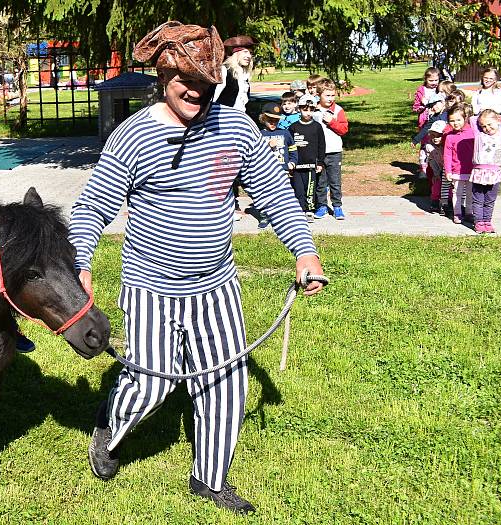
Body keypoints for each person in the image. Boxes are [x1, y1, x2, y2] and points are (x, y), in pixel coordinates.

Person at [69, 21, 325, 514]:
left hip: (216, 284)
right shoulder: (134, 136)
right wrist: (81, 260)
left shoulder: (236, 127)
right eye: (186, 81)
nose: (196, 92)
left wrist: (304, 250)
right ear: (163, 79)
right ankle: (109, 428)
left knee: (228, 382)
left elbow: (274, 195)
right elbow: (93, 206)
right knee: (152, 381)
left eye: (207, 83)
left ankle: (209, 479)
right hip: (150, 284)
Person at [214, 34, 256, 219]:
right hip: (223, 125)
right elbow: (213, 99)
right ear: (236, 53)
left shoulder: (244, 76)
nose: (249, 55)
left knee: (235, 166)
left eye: (250, 52)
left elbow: (243, 103)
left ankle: (232, 202)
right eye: (246, 51)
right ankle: (226, 206)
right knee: (224, 165)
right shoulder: (224, 71)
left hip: (238, 124)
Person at [469, 109, 501, 233]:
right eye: (483, 126)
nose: (487, 128)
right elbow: (473, 120)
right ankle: (478, 222)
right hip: (479, 172)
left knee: (490, 200)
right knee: (478, 199)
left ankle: (487, 221)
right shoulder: (479, 135)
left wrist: (498, 117)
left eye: (490, 124)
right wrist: (483, 117)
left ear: (498, 122)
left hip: (494, 173)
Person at [312, 78, 348, 220]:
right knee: (320, 181)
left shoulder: (338, 110)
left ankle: (337, 206)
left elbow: (344, 129)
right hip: (318, 152)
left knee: (335, 180)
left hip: (334, 151)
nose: (330, 98)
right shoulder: (313, 110)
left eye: (333, 95)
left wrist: (331, 121)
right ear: (319, 94)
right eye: (327, 95)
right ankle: (321, 206)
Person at [258, 101, 298, 228]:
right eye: (270, 120)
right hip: (266, 171)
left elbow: (292, 148)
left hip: (283, 170)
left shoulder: (285, 133)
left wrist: (293, 162)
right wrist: (267, 146)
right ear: (263, 118)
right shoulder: (259, 135)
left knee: (283, 193)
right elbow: (255, 153)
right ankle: (265, 215)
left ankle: (283, 216)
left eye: (276, 120)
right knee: (265, 193)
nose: (273, 123)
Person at [289, 93, 325, 220]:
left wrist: (320, 163)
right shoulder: (293, 127)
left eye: (311, 109)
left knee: (310, 189)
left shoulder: (317, 126)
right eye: (305, 109)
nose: (308, 112)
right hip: (297, 165)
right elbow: (289, 146)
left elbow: (322, 146)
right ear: (299, 109)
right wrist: (290, 162)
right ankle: (300, 209)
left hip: (311, 165)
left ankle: (309, 210)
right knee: (298, 189)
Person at [443, 104, 475, 225]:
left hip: (472, 170)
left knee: (470, 193)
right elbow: (447, 155)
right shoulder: (450, 137)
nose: (455, 123)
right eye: (452, 120)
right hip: (456, 171)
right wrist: (448, 171)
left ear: (465, 118)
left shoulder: (473, 133)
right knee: (457, 192)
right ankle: (457, 213)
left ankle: (469, 212)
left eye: (458, 120)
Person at [419, 120, 448, 213]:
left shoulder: (447, 146)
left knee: (449, 188)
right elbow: (431, 160)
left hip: (448, 170)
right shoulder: (429, 147)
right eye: (433, 136)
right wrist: (436, 172)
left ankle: (448, 203)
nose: (435, 138)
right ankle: (435, 201)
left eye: (439, 136)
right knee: (436, 184)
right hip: (437, 168)